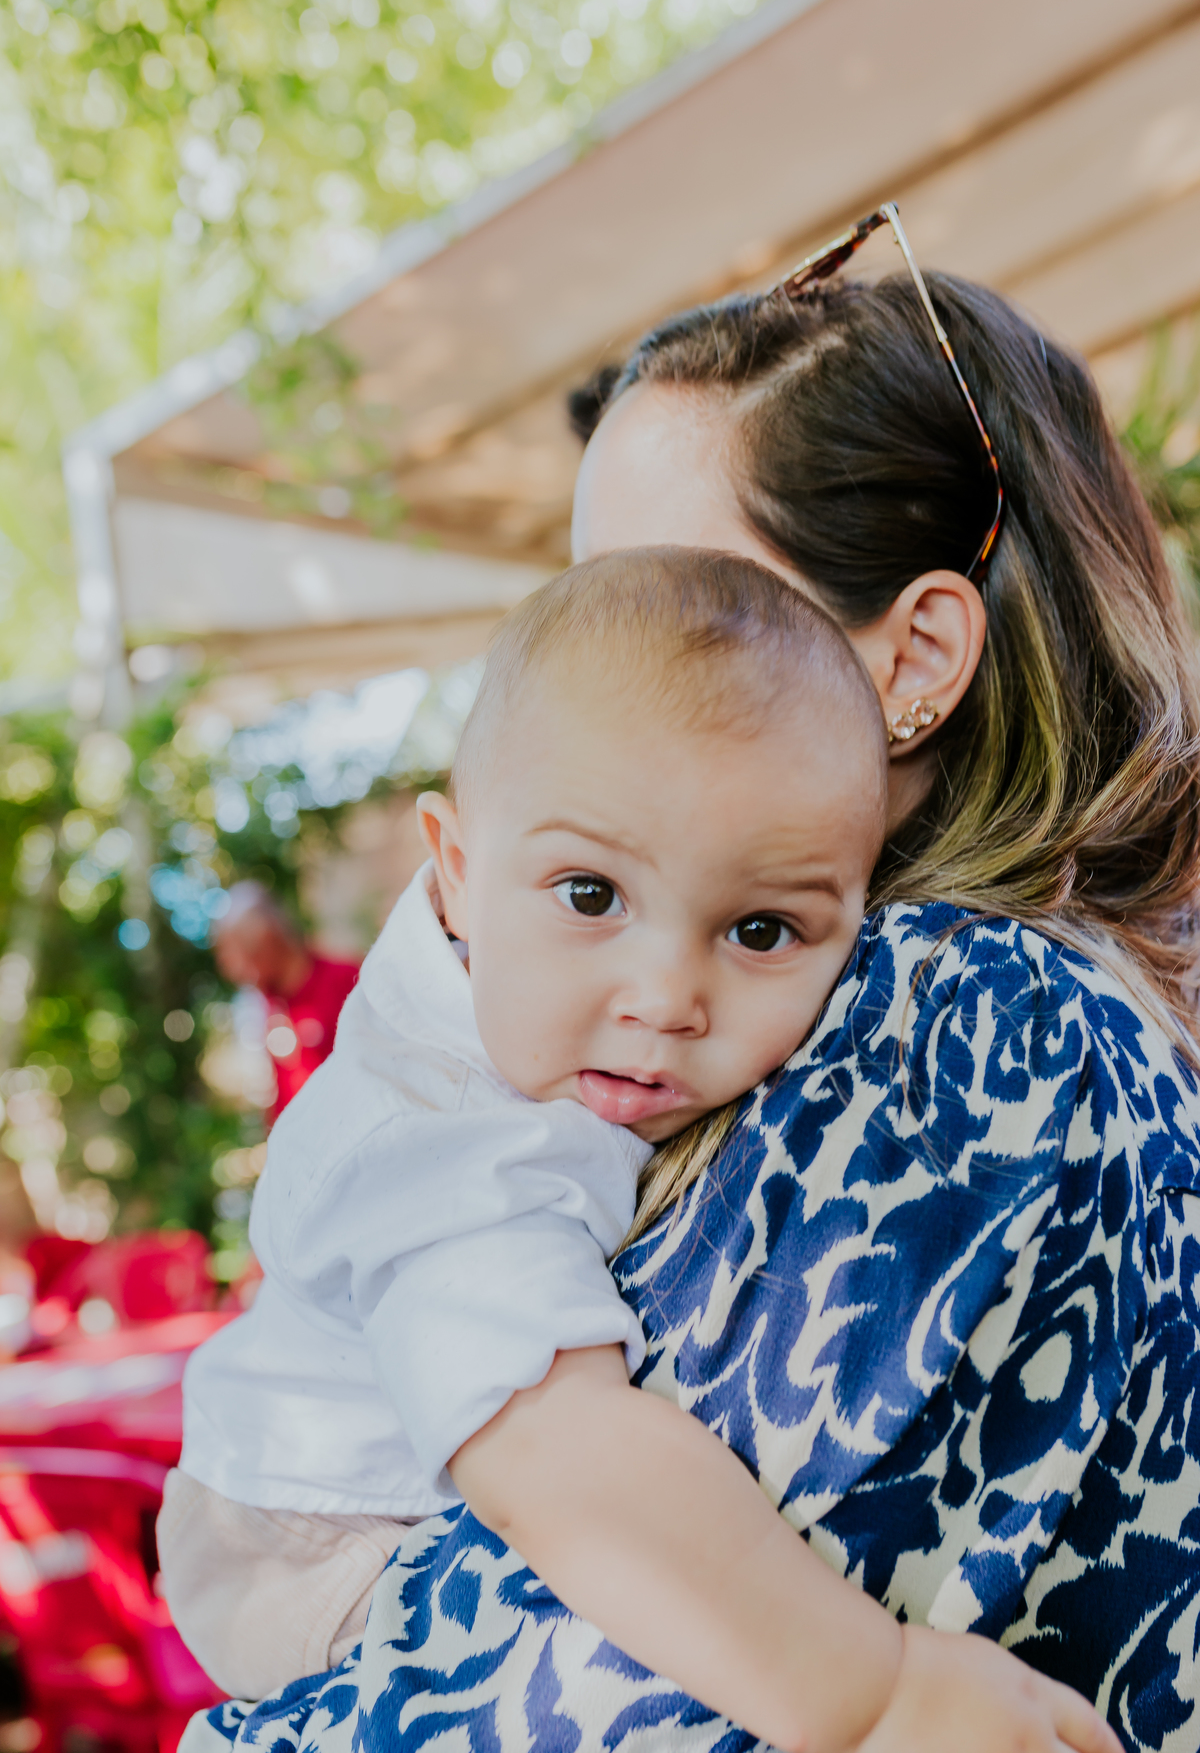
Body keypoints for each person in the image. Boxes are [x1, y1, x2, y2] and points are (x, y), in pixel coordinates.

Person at [186, 218, 1200, 1753]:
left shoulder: (972, 1029)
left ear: (919, 653)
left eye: (690, 599)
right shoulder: (721, 1008)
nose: (616, 666)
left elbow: (526, 1700)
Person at [212, 884, 360, 1120]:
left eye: (241, 951)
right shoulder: (260, 1010)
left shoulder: (347, 980)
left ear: (268, 937)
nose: (235, 971)